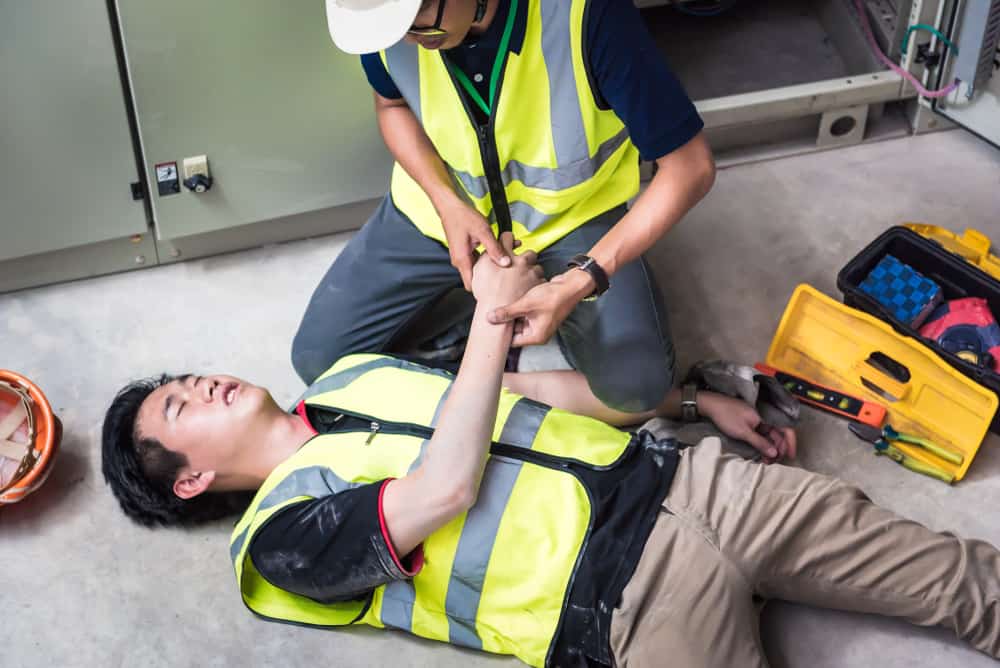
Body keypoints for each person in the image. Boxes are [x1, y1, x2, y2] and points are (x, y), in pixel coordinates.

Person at [104, 237, 1000, 668]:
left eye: (189, 377)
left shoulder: (348, 379)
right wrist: (496, 313)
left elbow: (520, 396)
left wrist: (691, 400)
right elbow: (444, 487)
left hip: (693, 486)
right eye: (179, 407)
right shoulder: (278, 541)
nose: (204, 384)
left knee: (968, 583)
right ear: (189, 479)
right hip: (628, 608)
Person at [291, 0, 716, 414]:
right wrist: (445, 201)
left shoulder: (586, 14)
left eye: (418, 19)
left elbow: (690, 168)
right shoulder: (386, 24)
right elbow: (391, 104)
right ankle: (480, 301)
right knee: (321, 363)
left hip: (570, 219)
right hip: (439, 217)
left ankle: (532, 301)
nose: (407, 40)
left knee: (636, 387)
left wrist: (579, 280)